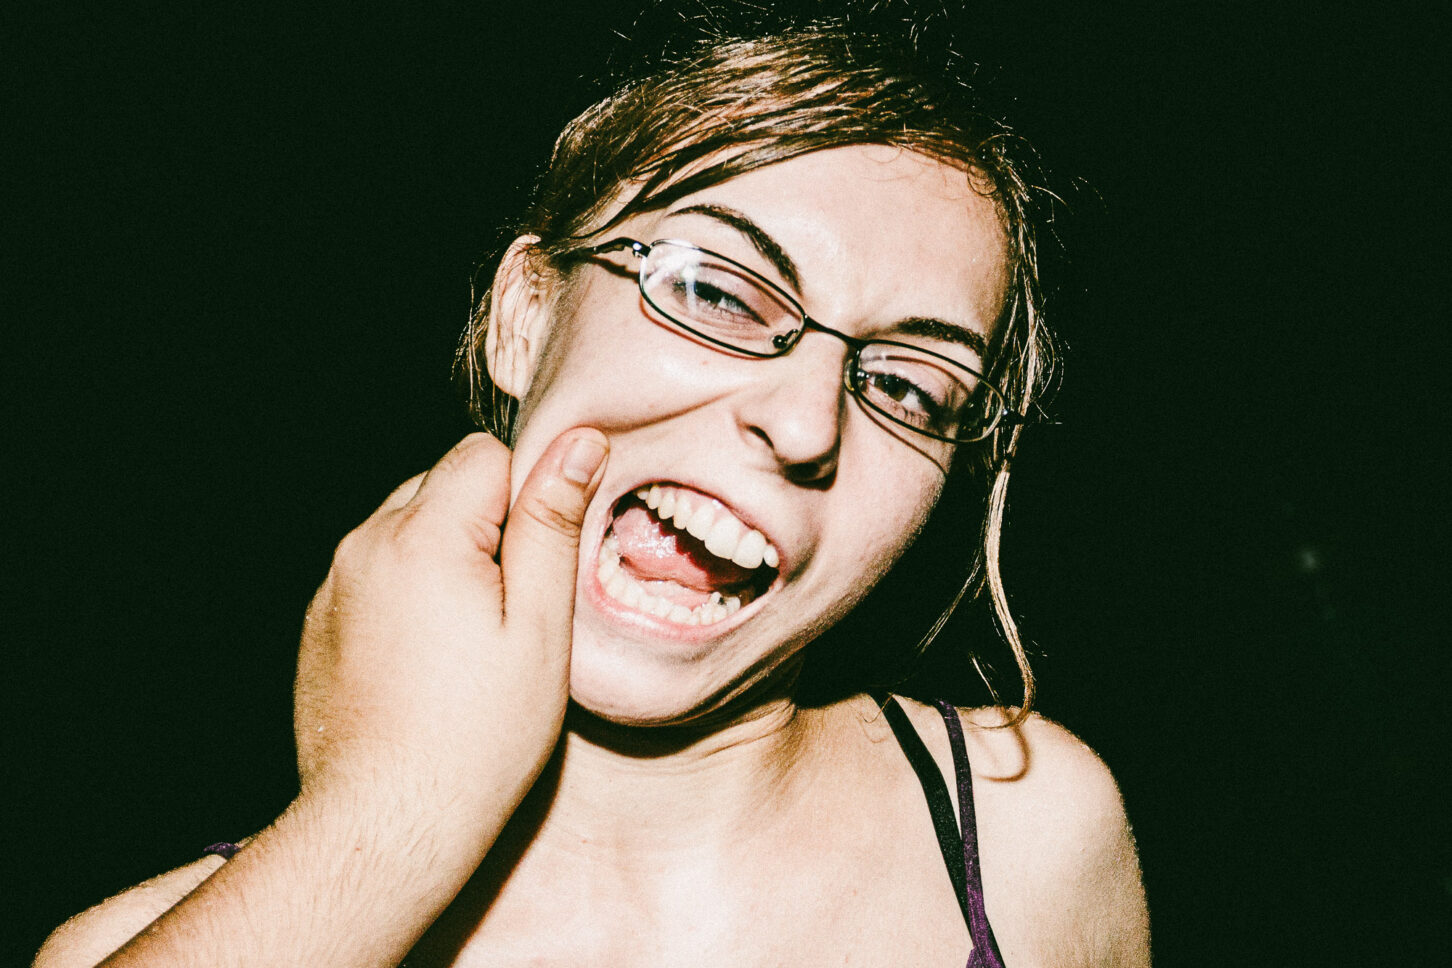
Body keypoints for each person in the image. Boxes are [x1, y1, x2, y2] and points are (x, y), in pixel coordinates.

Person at [36, 16, 1150, 968]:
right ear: (526, 314)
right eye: (714, 289)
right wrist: (382, 825)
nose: (808, 422)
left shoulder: (1032, 833)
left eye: (908, 384)